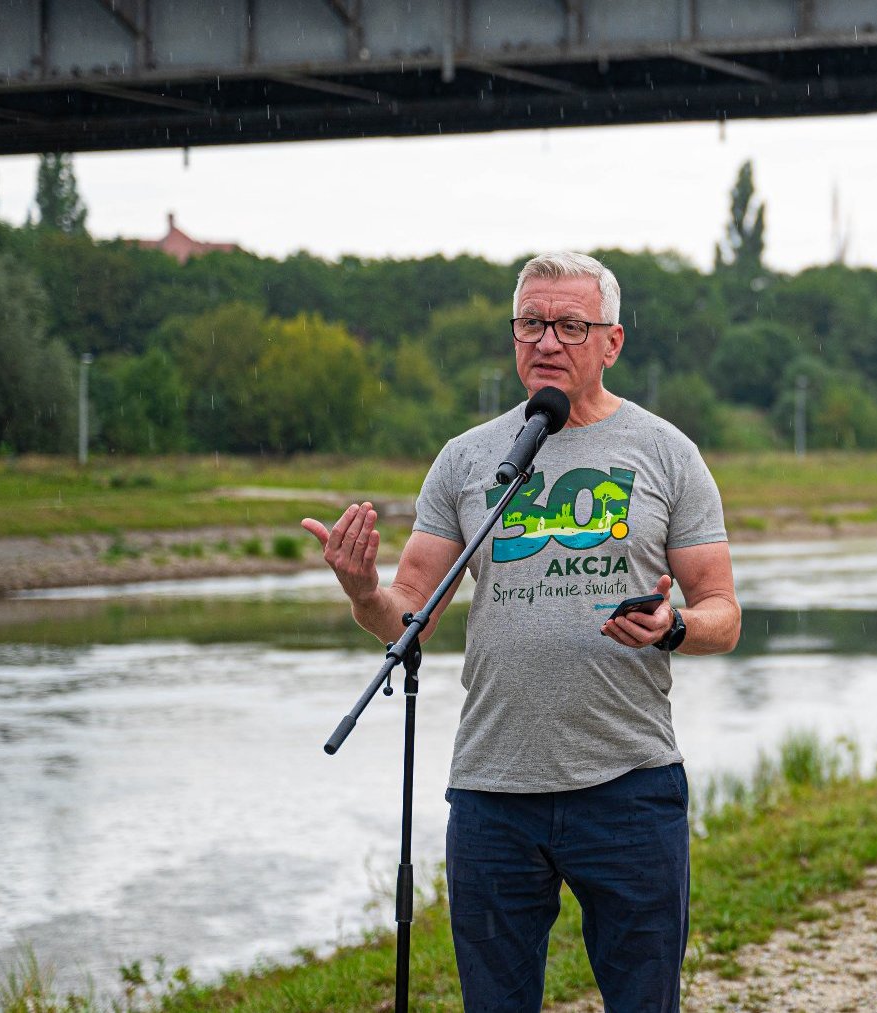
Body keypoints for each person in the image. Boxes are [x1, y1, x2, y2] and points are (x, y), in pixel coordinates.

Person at [302, 251, 739, 1013]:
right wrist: (363, 589)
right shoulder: (468, 458)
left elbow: (723, 612)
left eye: (571, 324)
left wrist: (672, 628)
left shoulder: (667, 452)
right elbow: (412, 610)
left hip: (628, 786)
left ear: (612, 341)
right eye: (531, 323)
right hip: (492, 792)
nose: (547, 341)